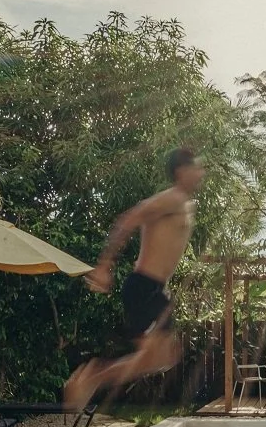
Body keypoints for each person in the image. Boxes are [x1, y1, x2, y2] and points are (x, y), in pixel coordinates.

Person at [63, 146, 206, 409]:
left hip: (154, 290)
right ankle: (93, 376)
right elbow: (131, 218)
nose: (200, 172)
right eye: (196, 167)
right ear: (181, 171)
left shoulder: (184, 204)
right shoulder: (172, 199)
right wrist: (104, 264)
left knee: (161, 358)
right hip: (144, 287)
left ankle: (94, 376)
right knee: (158, 357)